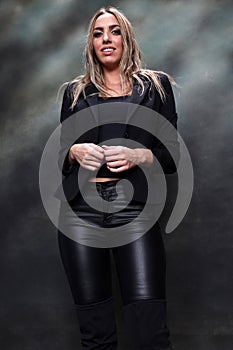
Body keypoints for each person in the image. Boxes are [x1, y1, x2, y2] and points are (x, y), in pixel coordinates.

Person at [57, 6, 179, 350]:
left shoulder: (156, 87)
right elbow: (60, 155)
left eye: (114, 31)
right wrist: (74, 152)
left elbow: (173, 155)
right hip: (79, 215)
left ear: (127, 39)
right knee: (96, 335)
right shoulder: (74, 93)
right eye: (98, 33)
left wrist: (140, 155)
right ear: (91, 44)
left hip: (135, 213)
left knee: (149, 332)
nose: (106, 39)